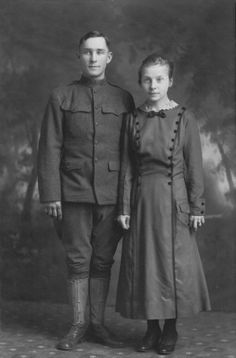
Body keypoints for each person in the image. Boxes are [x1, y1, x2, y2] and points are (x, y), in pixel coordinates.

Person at [37, 30, 135, 351]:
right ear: (79, 56)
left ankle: (98, 324)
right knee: (78, 259)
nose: (93, 58)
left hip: (111, 195)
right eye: (87, 52)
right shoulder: (61, 96)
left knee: (103, 260)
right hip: (72, 192)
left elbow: (128, 154)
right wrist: (51, 193)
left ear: (109, 57)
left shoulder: (123, 99)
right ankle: (78, 324)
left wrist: (126, 200)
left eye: (99, 52)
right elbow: (49, 147)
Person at [116, 53, 211, 355]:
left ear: (170, 80)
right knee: (144, 264)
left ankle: (170, 328)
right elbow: (127, 167)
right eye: (147, 79)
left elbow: (194, 167)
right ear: (140, 81)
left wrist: (197, 207)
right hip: (142, 201)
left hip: (175, 201)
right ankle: (151, 328)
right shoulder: (132, 118)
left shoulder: (185, 117)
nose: (153, 85)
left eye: (159, 79)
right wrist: (124, 208)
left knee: (172, 266)